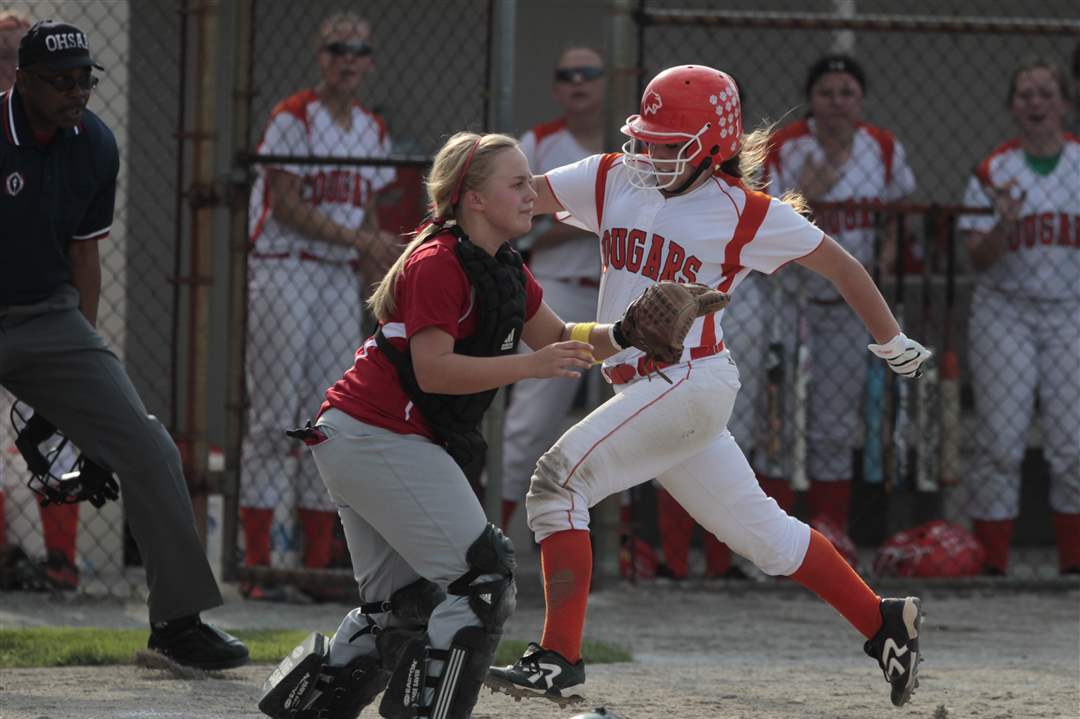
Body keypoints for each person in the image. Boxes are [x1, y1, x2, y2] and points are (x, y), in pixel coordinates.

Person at [486, 64, 932, 709]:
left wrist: (892, 342)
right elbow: (522, 198)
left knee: (558, 483)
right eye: (648, 137)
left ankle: (558, 657)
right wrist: (467, 211)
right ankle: (882, 621)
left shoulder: (742, 211)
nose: (653, 153)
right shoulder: (615, 174)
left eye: (672, 145)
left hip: (689, 381)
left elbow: (841, 264)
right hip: (647, 388)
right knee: (765, 537)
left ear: (715, 145)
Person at [258, 131, 636, 719]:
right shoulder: (438, 261)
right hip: (376, 434)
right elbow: (433, 372)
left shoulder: (503, 267)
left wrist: (636, 332)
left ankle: (306, 708)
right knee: (484, 580)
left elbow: (563, 341)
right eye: (516, 184)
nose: (531, 193)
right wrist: (530, 367)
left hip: (363, 438)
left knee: (402, 607)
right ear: (474, 200)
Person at [0, 19, 248, 668]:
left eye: (84, 76)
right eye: (60, 79)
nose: (75, 90)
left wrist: (71, 387)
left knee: (149, 446)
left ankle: (178, 625)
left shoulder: (95, 144)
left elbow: (85, 259)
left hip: (46, 314)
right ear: (20, 81)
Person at [239, 11, 400, 588]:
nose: (349, 60)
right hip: (284, 269)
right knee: (274, 418)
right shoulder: (293, 116)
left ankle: (311, 565)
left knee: (324, 422)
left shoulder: (371, 129)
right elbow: (284, 205)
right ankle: (258, 564)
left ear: (370, 61)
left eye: (359, 51)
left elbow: (370, 213)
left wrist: (372, 276)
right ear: (321, 55)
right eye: (338, 49)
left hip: (335, 277)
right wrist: (362, 241)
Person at [762, 54, 917, 532]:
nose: (836, 102)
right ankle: (773, 534)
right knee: (778, 424)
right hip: (786, 298)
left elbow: (901, 209)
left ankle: (830, 535)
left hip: (850, 304)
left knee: (832, 425)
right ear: (810, 99)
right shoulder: (784, 147)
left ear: (861, 99)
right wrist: (805, 193)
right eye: (826, 92)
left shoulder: (882, 148)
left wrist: (889, 252)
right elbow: (755, 216)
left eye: (846, 92)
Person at [958, 58, 1080, 576]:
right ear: (1012, 107)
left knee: (1072, 444)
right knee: (1001, 444)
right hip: (1004, 311)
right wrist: (1005, 225)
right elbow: (977, 258)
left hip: (1071, 312)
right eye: (1025, 95)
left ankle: (1073, 566)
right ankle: (994, 565)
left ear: (1064, 104)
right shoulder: (993, 169)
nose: (1035, 104)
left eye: (1045, 94)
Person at [500, 46, 605, 530]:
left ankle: (615, 544)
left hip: (618, 293)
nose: (579, 82)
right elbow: (510, 219)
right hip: (557, 287)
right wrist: (585, 221)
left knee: (630, 422)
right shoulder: (539, 142)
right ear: (556, 88)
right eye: (568, 76)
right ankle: (496, 532)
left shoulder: (634, 147)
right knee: (531, 423)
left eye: (590, 74)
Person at [0, 9, 81, 592]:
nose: (9, 59)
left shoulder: (68, 136)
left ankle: (61, 558)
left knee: (55, 426)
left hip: (42, 306)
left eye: (14, 49)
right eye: (2, 50)